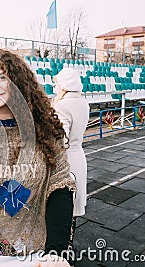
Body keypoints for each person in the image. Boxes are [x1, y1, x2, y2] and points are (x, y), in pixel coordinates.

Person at [0, 49, 76, 267]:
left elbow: (60, 187)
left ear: (17, 82)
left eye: (1, 77)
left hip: (33, 251)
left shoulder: (45, 131)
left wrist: (56, 252)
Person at [52, 68, 90, 217]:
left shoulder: (62, 105)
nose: (56, 88)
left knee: (63, 204)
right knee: (75, 201)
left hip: (66, 159)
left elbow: (60, 138)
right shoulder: (83, 102)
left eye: (57, 84)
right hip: (78, 155)